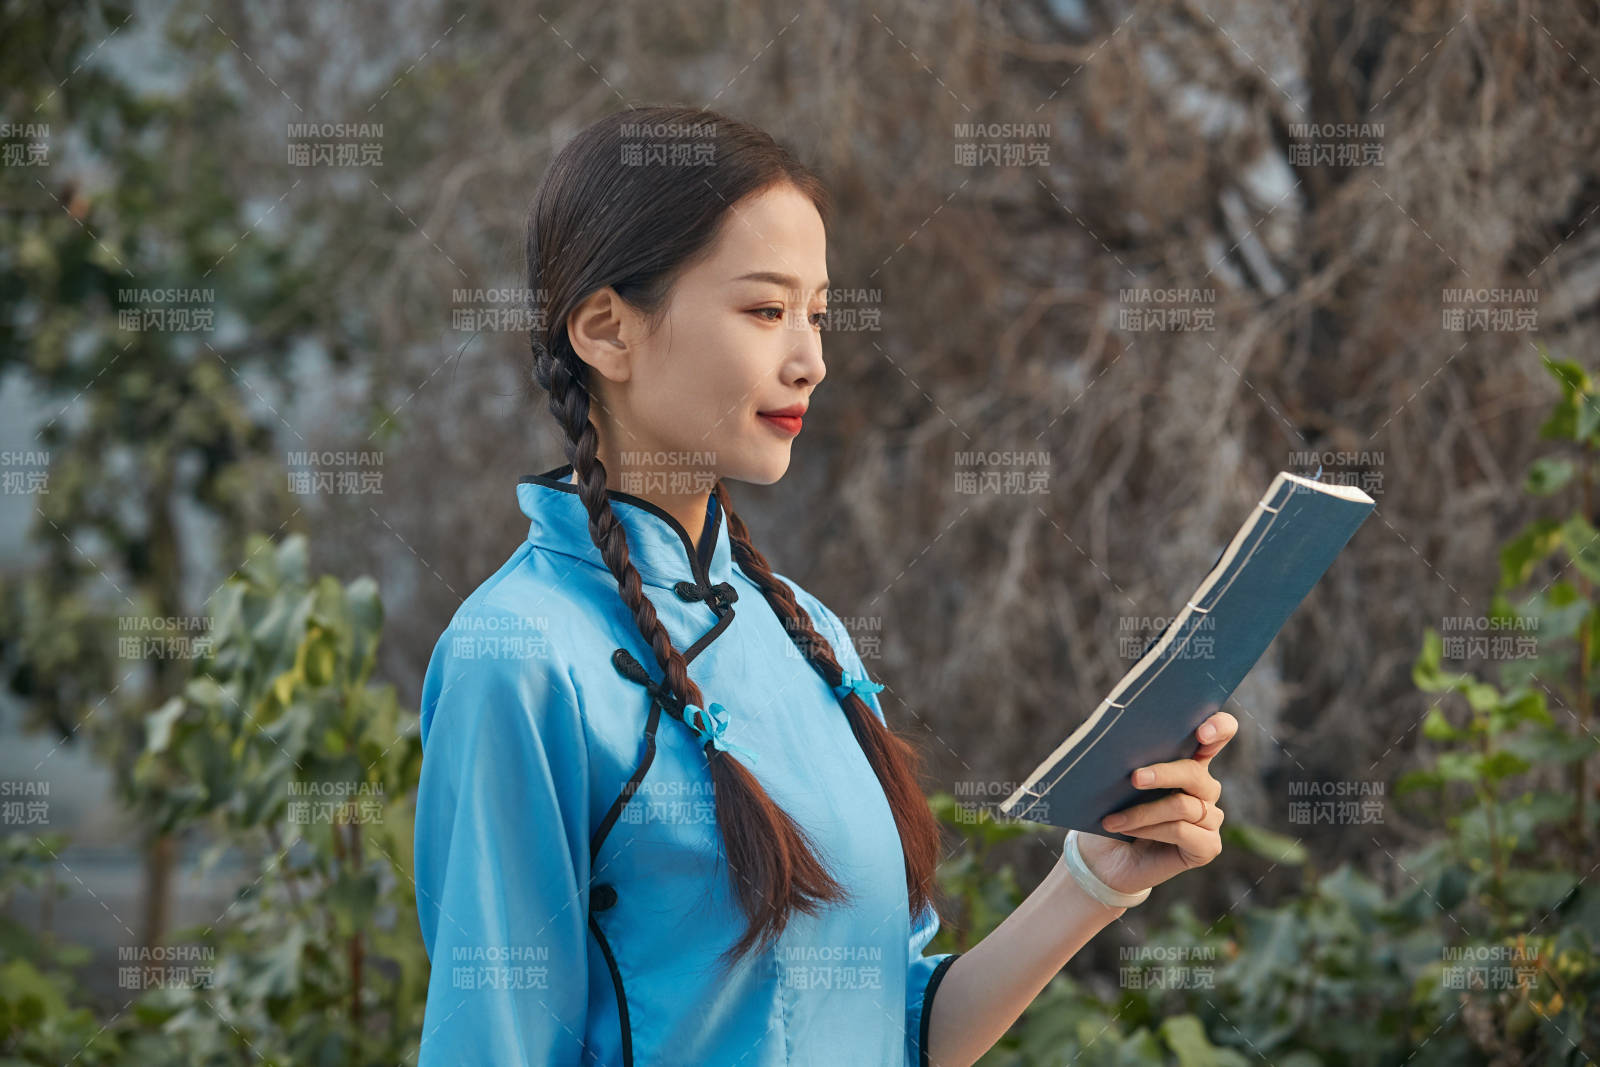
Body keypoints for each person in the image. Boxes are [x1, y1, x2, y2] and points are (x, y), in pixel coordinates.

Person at [412, 103, 1235, 1067]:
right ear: (607, 330)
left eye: (818, 313)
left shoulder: (812, 638)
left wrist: (1097, 877)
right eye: (766, 310)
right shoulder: (517, 658)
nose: (811, 360)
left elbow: (902, 1026)